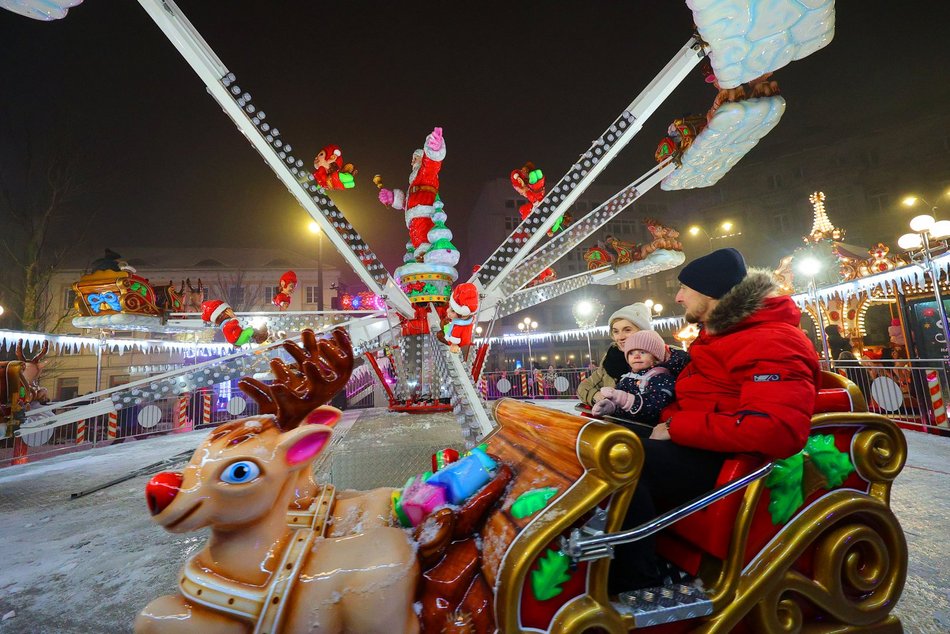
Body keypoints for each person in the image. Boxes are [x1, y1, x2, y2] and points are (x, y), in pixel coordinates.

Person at [609, 247, 820, 592]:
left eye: (684, 289)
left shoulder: (772, 339)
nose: (677, 297)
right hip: (701, 446)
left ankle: (637, 586)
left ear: (709, 292)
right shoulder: (721, 337)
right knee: (601, 441)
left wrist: (677, 428)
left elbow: (777, 429)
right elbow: (699, 397)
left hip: (729, 463)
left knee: (620, 459)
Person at [591, 330, 678, 433]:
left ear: (655, 357)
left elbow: (655, 406)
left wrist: (624, 399)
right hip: (625, 424)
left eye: (642, 352)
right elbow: (618, 399)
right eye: (631, 353)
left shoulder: (661, 377)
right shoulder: (627, 378)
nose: (636, 356)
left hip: (648, 428)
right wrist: (610, 406)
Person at [576, 303, 652, 407]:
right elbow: (584, 386)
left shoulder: (661, 356)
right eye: (616, 332)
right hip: (613, 422)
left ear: (643, 331)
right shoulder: (611, 359)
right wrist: (596, 396)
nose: (620, 337)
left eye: (627, 330)